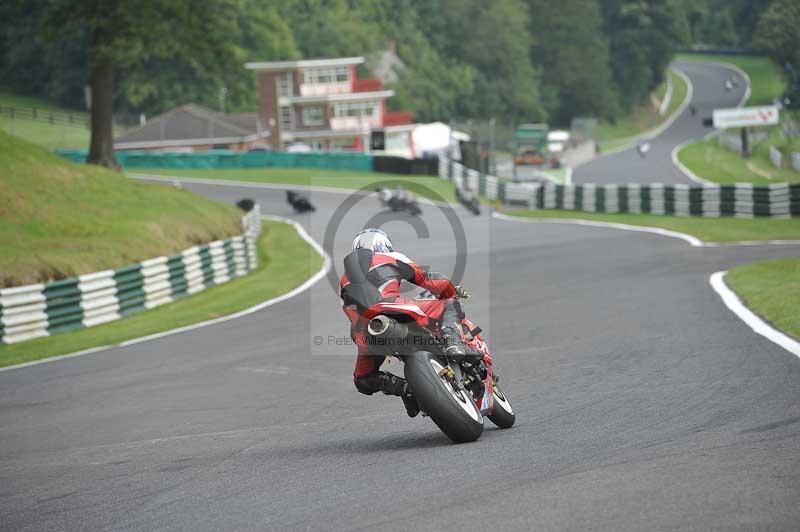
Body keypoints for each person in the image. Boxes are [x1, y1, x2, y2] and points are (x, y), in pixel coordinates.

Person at [338, 228, 470, 417]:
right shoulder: (390, 257)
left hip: (368, 332)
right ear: (384, 245)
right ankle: (453, 344)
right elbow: (430, 281)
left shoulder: (343, 281)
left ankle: (406, 390)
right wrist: (450, 291)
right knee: (450, 304)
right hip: (397, 310)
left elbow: (350, 314)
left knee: (363, 379)